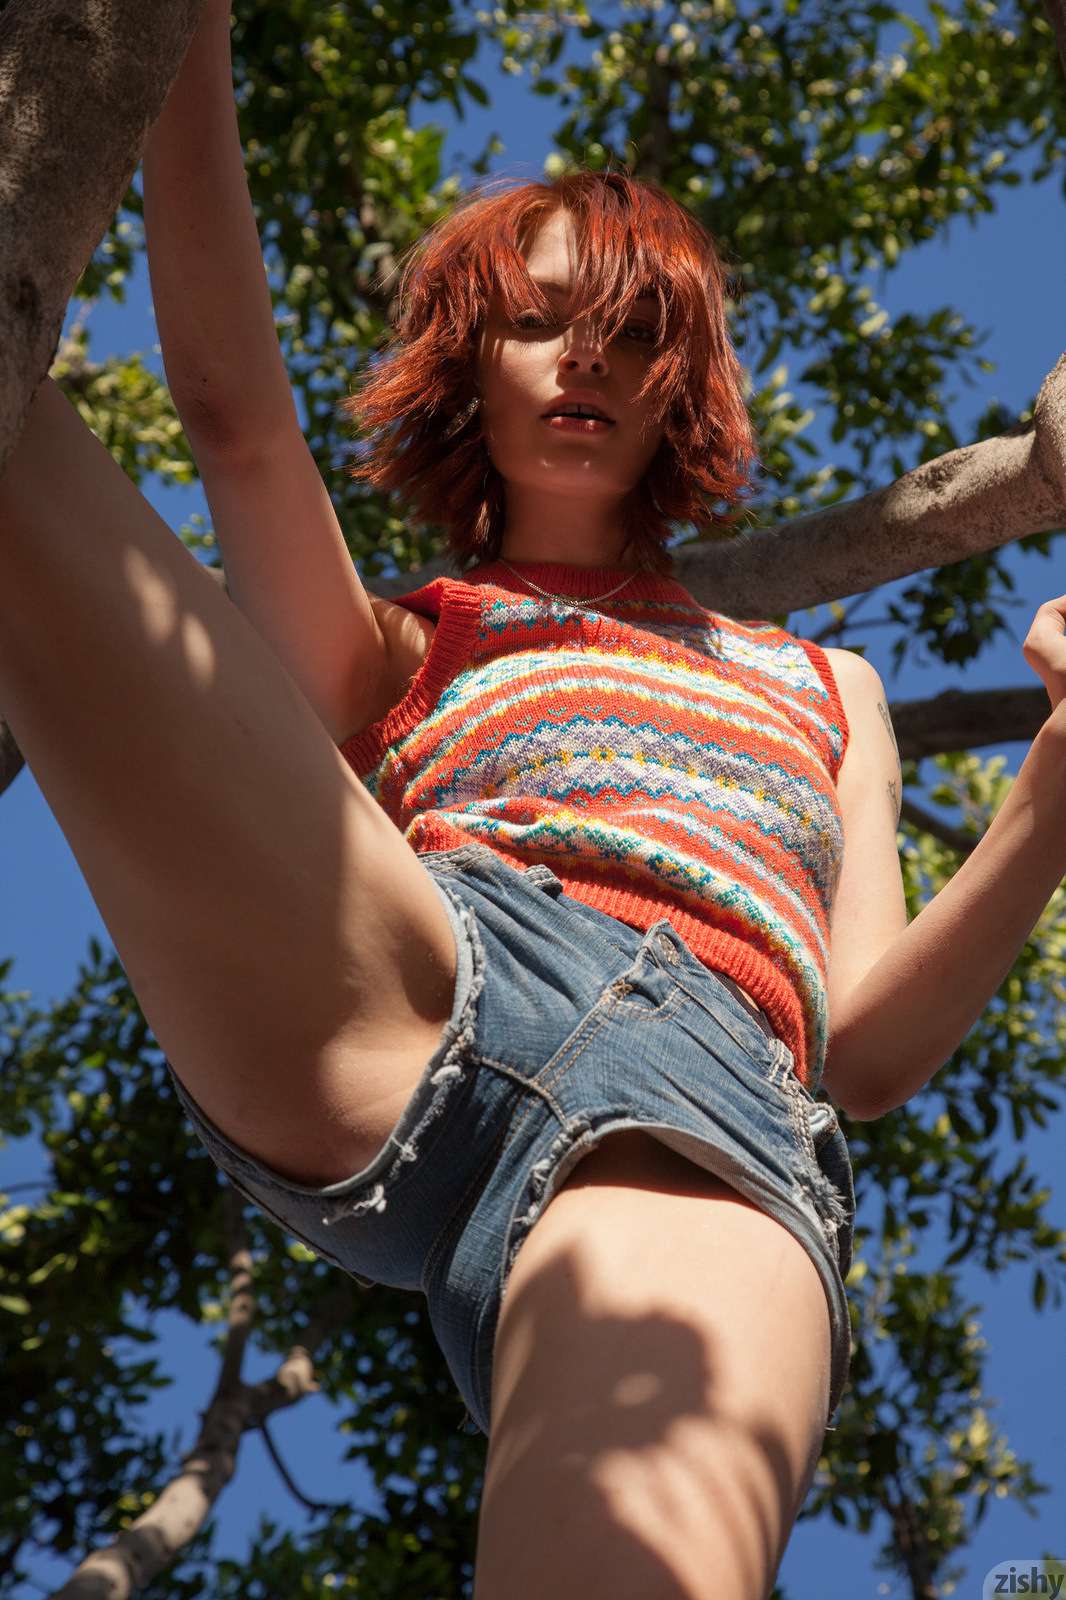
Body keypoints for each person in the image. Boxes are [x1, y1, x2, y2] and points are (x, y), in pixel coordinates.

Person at [0, 7, 892, 1597]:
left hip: (709, 1104)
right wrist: (186, 43)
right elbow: (235, 425)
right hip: (420, 967)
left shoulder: (828, 686)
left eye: (631, 330)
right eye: (537, 322)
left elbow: (870, 1045)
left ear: (681, 383)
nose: (583, 356)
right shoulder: (410, 645)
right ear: (468, 368)